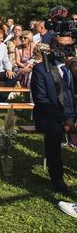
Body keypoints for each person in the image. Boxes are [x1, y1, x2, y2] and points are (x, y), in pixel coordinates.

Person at [30, 32, 76, 194]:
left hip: (72, 113)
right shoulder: (41, 69)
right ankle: (57, 179)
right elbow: (41, 100)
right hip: (49, 115)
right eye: (60, 46)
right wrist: (64, 119)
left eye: (68, 46)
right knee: (55, 133)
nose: (64, 50)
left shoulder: (73, 67)